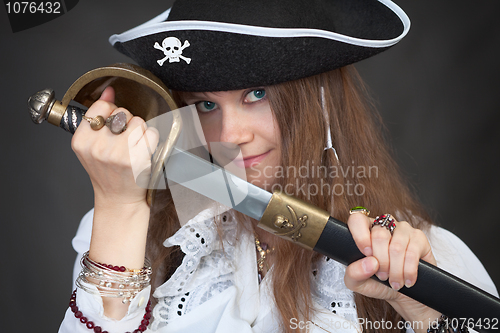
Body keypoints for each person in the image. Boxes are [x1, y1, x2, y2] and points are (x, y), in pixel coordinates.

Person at [59, 0, 498, 332]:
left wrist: (426, 313)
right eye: (207, 104)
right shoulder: (143, 236)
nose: (230, 135)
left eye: (257, 94)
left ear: (321, 103)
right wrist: (120, 206)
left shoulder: (421, 259)